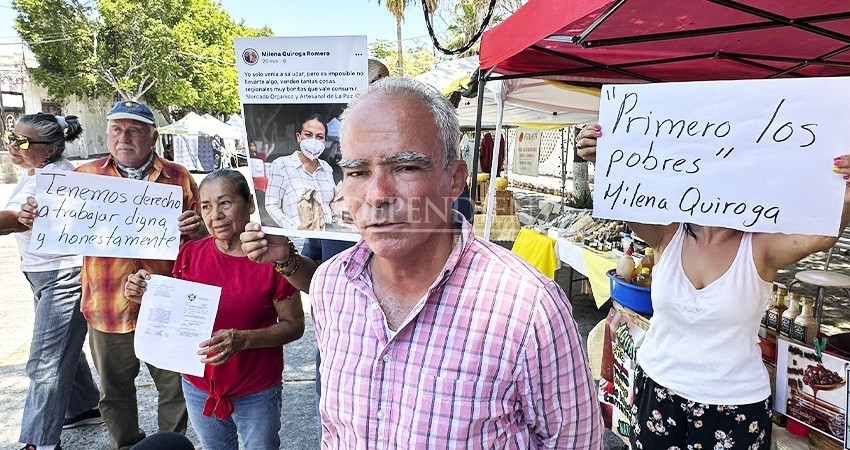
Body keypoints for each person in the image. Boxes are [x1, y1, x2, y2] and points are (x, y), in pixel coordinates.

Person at [241, 77, 602, 448]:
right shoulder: (332, 286)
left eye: (406, 168)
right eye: (357, 172)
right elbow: (336, 430)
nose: (378, 195)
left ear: (455, 180)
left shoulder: (528, 309)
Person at [576, 124, 850, 449]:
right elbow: (619, 198)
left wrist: (845, 193)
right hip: (658, 392)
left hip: (735, 407)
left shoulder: (760, 247)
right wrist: (602, 156)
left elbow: (822, 235)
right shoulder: (668, 233)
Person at [19, 100, 204, 450]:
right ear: (107, 134)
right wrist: (36, 215)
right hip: (107, 305)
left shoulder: (178, 177)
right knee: (114, 391)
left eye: (134, 130)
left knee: (173, 387)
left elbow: (207, 241)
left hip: (165, 304)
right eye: (117, 130)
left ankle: (167, 445)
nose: (124, 138)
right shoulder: (83, 177)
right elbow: (54, 224)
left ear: (153, 137)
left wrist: (197, 229)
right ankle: (127, 446)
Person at [124, 169, 304, 450]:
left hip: (256, 387)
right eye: (206, 206)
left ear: (250, 205)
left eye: (225, 202)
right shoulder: (191, 253)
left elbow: (294, 325)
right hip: (198, 384)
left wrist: (243, 340)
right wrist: (144, 294)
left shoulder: (273, 258)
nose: (215, 215)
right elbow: (179, 310)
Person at [2, 114, 101, 450]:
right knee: (58, 347)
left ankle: (39, 441)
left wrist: (17, 220)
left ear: (52, 149)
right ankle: (83, 406)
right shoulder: (38, 172)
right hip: (43, 273)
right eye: (11, 136)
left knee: (45, 360)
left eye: (24, 142)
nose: (13, 145)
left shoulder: (54, 181)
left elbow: (15, 221)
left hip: (63, 276)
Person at [264, 114, 335, 230]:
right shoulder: (281, 165)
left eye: (319, 137)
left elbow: (331, 203)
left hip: (328, 236)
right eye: (308, 135)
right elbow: (271, 205)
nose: (313, 141)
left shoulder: (327, 168)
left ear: (325, 141)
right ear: (298, 137)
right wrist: (293, 227)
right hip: (300, 239)